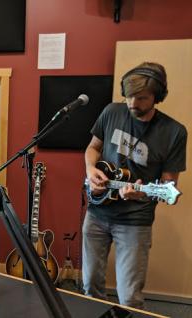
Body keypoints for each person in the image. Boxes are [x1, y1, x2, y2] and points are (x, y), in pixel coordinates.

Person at [83, 62, 187, 309]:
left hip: (134, 221)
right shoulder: (111, 112)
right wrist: (90, 170)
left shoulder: (174, 132)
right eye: (129, 96)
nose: (132, 104)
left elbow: (169, 184)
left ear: (157, 97)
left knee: (129, 296)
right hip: (97, 213)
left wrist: (139, 194)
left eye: (141, 98)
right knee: (89, 286)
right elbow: (93, 148)